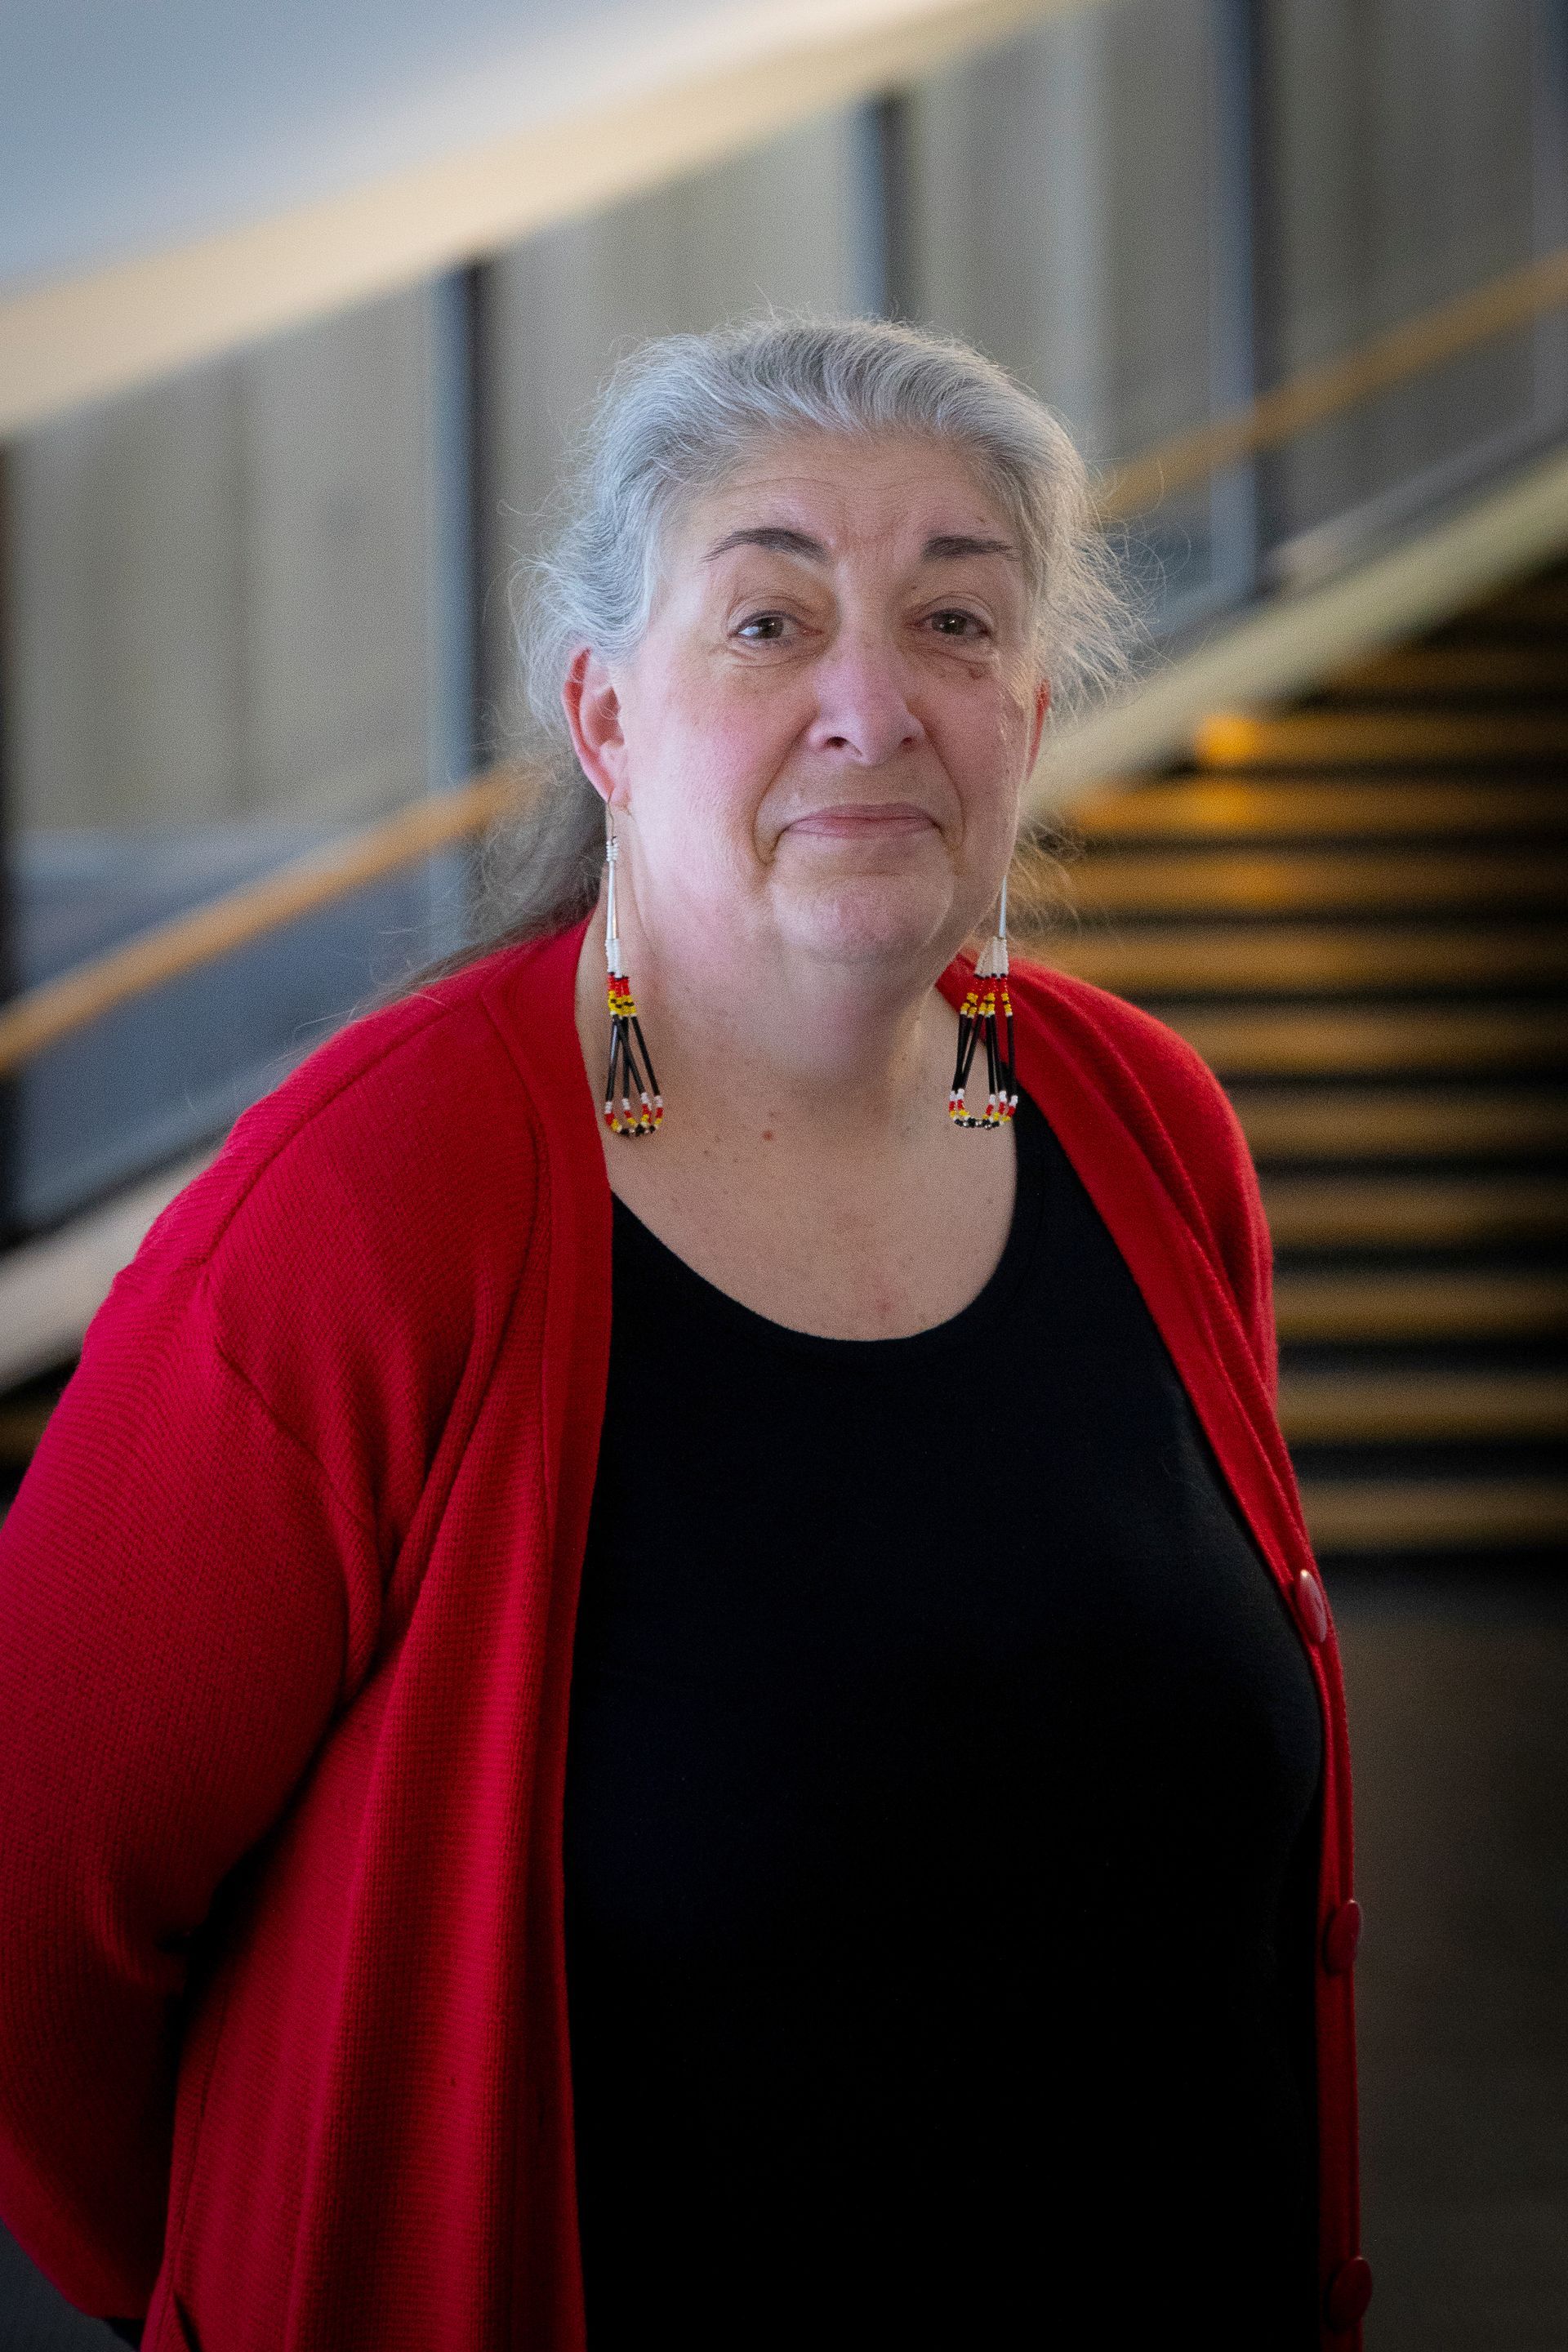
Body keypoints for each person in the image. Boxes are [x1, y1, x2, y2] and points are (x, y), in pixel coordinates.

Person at [0, 316, 1371, 2351]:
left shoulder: (1143, 1125)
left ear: (1027, 709)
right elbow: (28, 1901)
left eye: (954, 620)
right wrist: (289, 2278)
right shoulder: (375, 1212)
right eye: (767, 622)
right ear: (608, 717)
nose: (870, 707)